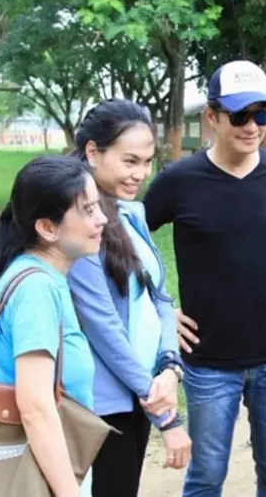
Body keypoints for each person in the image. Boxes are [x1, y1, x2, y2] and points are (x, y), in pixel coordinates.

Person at [143, 59, 266, 497]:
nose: (252, 126)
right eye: (239, 115)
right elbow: (127, 240)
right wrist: (160, 308)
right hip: (207, 361)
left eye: (262, 114)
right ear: (213, 117)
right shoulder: (178, 181)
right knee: (206, 477)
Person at [67, 99, 191, 497]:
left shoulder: (131, 213)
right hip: (103, 404)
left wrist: (170, 368)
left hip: (141, 392)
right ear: (92, 152)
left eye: (147, 161)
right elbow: (102, 325)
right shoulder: (79, 224)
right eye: (129, 161)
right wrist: (165, 412)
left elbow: (160, 296)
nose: (140, 174)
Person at [0, 154, 107, 497]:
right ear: (47, 228)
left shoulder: (33, 274)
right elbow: (35, 407)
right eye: (89, 210)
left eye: (99, 207)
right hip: (35, 475)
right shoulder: (37, 289)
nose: (102, 219)